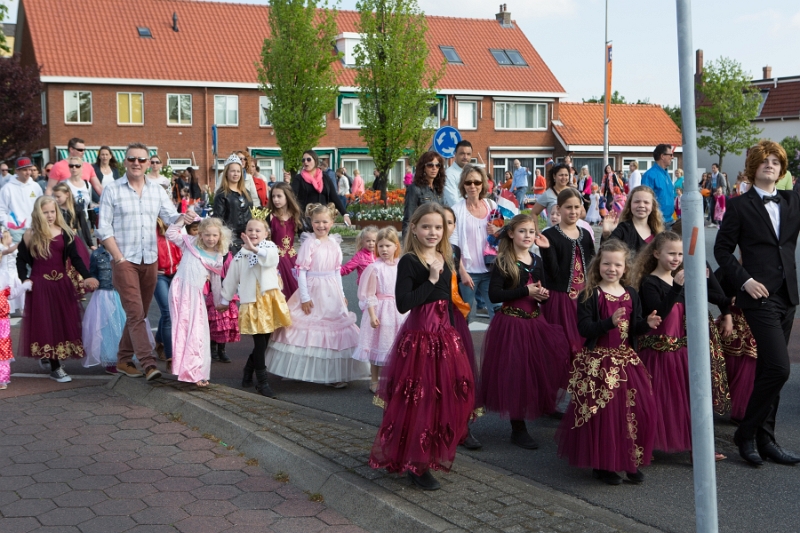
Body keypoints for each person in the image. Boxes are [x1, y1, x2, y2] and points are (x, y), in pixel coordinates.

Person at [369, 203, 475, 491]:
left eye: (438, 227)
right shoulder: (410, 261)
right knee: (418, 400)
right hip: (420, 339)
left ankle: (427, 455)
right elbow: (405, 303)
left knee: (442, 399)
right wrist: (430, 277)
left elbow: (447, 300)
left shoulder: (445, 255)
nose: (433, 232)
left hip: (444, 338)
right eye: (426, 226)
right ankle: (415, 463)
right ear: (414, 228)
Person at [714, 140, 800, 467]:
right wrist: (745, 281)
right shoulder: (739, 206)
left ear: (782, 169)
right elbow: (722, 251)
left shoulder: (792, 201)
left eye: (776, 161)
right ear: (754, 167)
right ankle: (746, 433)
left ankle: (766, 439)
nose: (770, 165)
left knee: (768, 370)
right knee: (780, 368)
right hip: (757, 296)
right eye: (764, 161)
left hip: (787, 297)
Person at [556, 239, 660, 485]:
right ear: (598, 265)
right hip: (599, 362)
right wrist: (609, 323)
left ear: (626, 267)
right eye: (606, 264)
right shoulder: (590, 294)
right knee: (606, 416)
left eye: (617, 264)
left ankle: (630, 461)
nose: (611, 269)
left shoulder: (631, 293)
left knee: (635, 410)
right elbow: (584, 328)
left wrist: (647, 324)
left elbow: (633, 327)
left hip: (627, 360)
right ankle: (604, 465)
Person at [482, 214, 570, 449]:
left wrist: (542, 295)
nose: (527, 236)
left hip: (534, 321)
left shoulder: (536, 260)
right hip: (512, 324)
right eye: (522, 231)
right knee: (517, 374)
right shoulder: (503, 261)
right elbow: (494, 295)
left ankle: (545, 406)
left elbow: (550, 280)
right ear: (511, 234)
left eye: (531, 232)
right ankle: (517, 427)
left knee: (542, 368)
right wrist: (525, 291)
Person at [96, 142, 181, 381]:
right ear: (124, 161)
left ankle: (123, 360)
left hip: (150, 260)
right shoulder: (112, 190)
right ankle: (148, 363)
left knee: (139, 312)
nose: (136, 163)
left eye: (141, 160)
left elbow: (170, 217)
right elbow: (103, 228)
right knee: (136, 314)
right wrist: (118, 258)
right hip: (125, 260)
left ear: (148, 163)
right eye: (132, 159)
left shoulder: (156, 190)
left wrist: (187, 217)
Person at [265, 203, 365, 387]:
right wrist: (304, 297)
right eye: (317, 222)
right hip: (312, 288)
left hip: (331, 289)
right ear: (311, 222)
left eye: (325, 222)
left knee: (333, 328)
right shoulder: (309, 243)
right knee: (307, 327)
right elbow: (302, 272)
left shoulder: (335, 243)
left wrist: (341, 294)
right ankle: (302, 370)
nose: (321, 226)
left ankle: (333, 375)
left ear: (332, 222)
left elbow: (336, 271)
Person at [17, 196, 99, 383]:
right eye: (45, 212)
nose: (50, 215)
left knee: (61, 322)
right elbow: (21, 259)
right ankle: (55, 366)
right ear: (38, 213)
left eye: (52, 211)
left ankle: (52, 357)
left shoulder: (65, 233)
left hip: (61, 284)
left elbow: (76, 258)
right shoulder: (31, 234)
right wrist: (25, 279)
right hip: (40, 285)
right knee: (47, 323)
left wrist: (87, 276)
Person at [220, 216, 291, 397]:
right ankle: (263, 382)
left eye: (258, 230)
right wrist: (225, 299)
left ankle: (249, 368)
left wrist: (255, 250)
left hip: (270, 300)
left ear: (266, 234)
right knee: (260, 343)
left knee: (266, 342)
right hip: (252, 302)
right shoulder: (240, 255)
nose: (253, 233)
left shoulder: (269, 248)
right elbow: (231, 278)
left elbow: (271, 260)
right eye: (250, 230)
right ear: (244, 233)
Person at [165, 214, 228, 387]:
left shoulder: (217, 255)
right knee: (182, 331)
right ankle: (185, 371)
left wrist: (217, 302)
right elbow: (171, 233)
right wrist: (181, 220)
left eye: (215, 235)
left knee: (198, 333)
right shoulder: (190, 243)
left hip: (196, 297)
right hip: (179, 292)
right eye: (207, 234)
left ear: (220, 236)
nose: (211, 238)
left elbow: (215, 281)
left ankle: (196, 372)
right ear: (200, 234)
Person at [539, 188, 596, 357]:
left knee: (584, 341)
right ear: (558, 208)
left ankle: (580, 381)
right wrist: (547, 250)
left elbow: (593, 264)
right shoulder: (549, 235)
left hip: (583, 297)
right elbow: (552, 273)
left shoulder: (585, 234)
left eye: (577, 207)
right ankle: (562, 381)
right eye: (568, 207)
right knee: (565, 342)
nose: (573, 211)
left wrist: (606, 234)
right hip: (560, 297)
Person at [351, 226, 407, 394]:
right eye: (380, 246)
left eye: (387, 246)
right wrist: (372, 314)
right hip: (381, 310)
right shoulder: (375, 268)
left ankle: (395, 379)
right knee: (378, 345)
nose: (383, 249)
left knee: (396, 346)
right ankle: (374, 379)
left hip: (399, 310)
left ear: (396, 246)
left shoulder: (401, 265)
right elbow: (370, 294)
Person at [451, 165, 499, 321]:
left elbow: (501, 237)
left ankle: (496, 345)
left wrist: (497, 230)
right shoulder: (457, 210)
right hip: (468, 272)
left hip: (490, 269)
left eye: (477, 183)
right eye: (468, 182)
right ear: (463, 185)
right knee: (464, 315)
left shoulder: (491, 205)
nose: (473, 186)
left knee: (497, 312)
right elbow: (453, 246)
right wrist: (462, 272)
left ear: (483, 184)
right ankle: (462, 345)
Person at [81, 244, 124, 375]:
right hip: (104, 294)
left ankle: (123, 359)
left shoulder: (123, 250)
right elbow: (93, 272)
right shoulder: (97, 254)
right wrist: (92, 280)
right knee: (108, 328)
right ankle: (111, 361)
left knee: (122, 327)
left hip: (121, 293)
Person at [290, 150, 350, 227]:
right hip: (306, 220)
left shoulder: (325, 177)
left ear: (315, 161)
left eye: (308, 159)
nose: (305, 162)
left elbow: (334, 196)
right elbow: (291, 196)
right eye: (303, 160)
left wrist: (345, 213)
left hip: (323, 219)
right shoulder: (299, 178)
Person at [601, 185, 664, 256]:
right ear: (630, 204)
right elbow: (605, 255)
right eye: (637, 202)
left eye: (646, 202)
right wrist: (606, 234)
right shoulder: (623, 229)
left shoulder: (657, 232)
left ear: (652, 206)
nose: (641, 205)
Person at [154, 218, 182, 370]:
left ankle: (159, 340)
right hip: (159, 275)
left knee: (171, 311)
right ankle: (171, 357)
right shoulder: (151, 227)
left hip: (176, 273)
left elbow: (184, 246)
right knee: (168, 313)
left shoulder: (175, 227)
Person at [266, 182, 301, 300]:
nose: (275, 199)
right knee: (280, 291)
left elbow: (305, 235)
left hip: (292, 258)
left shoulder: (295, 215)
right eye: (273, 196)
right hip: (276, 259)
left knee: (296, 289)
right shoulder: (270, 216)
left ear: (287, 196)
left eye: (279, 196)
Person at [213, 154, 253, 254]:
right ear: (227, 173)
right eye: (233, 171)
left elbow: (251, 213)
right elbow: (218, 220)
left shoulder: (246, 193)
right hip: (231, 240)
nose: (236, 174)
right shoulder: (222, 195)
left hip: (247, 238)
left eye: (238, 171)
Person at [207, 247, 240, 364]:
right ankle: (212, 348)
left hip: (228, 291)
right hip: (213, 291)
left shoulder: (231, 255)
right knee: (214, 321)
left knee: (226, 322)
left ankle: (222, 350)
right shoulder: (208, 253)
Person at [0, 157, 43, 243]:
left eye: (30, 169)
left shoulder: (36, 186)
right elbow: (1, 209)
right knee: (18, 256)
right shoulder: (7, 188)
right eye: (24, 170)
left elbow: (41, 207)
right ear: (17, 171)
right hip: (16, 232)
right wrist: (9, 225)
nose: (28, 173)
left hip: (34, 229)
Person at [0, 264, 29, 389]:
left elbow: (12, 294)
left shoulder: (3, 276)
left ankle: (2, 378)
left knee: (3, 348)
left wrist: (24, 287)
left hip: (2, 321)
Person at [402, 151, 444, 234]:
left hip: (437, 235)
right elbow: (409, 218)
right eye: (430, 165)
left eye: (437, 165)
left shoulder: (438, 189)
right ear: (423, 167)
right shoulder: (415, 188)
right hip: (421, 235)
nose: (434, 168)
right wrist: (407, 244)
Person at [641, 144, 676, 223]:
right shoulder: (649, 175)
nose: (672, 157)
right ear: (662, 156)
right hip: (657, 221)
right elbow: (645, 199)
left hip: (669, 219)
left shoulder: (666, 174)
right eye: (670, 155)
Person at [443, 140, 473, 207]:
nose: (465, 157)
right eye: (462, 154)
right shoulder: (449, 175)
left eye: (468, 154)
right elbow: (453, 202)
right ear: (455, 154)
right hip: (455, 215)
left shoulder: (472, 173)